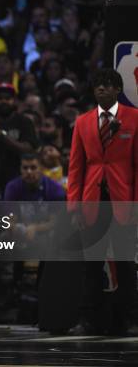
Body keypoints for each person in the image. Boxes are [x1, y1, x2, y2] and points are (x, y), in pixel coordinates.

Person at [67, 68, 138, 335]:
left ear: (118, 89)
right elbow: (75, 168)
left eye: (107, 85)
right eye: (98, 86)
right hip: (91, 201)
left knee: (125, 264)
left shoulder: (134, 118)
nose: (101, 90)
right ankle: (89, 320)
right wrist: (74, 207)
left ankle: (130, 319)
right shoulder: (83, 122)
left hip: (124, 201)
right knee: (91, 265)